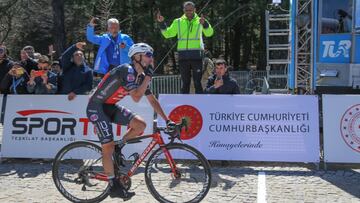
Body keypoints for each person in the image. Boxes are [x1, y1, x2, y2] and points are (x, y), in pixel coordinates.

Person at [86, 43, 174, 200]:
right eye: (148, 55)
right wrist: (148, 77)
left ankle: (119, 145)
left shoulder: (139, 76)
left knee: (140, 125)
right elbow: (136, 97)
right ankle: (113, 186)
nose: (151, 58)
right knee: (107, 146)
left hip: (110, 106)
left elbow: (152, 100)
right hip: (96, 107)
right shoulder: (127, 70)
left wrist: (167, 120)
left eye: (151, 55)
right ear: (137, 57)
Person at [157, 1, 214, 94]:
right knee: (185, 83)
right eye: (186, 10)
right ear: (183, 10)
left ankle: (201, 105)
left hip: (197, 56)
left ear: (195, 10)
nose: (189, 12)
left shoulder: (201, 20)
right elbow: (168, 34)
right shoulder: (178, 22)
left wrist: (205, 24)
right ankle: (184, 104)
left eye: (191, 10)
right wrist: (161, 23)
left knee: (197, 82)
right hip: (183, 57)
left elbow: (210, 33)